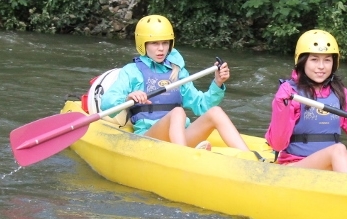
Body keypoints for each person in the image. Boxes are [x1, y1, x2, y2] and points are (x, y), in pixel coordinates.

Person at [101, 14, 249, 151]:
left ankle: (249, 158)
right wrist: (128, 97)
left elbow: (202, 106)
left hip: (181, 137)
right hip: (149, 139)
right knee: (177, 112)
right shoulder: (132, 71)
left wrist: (217, 83)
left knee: (215, 112)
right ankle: (184, 158)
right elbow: (107, 104)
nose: (161, 49)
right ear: (143, 44)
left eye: (165, 43)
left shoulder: (177, 72)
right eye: (154, 43)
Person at [266, 29, 347, 175]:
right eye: (314, 59)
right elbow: (277, 143)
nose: (321, 66)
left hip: (331, 165)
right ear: (302, 61)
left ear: (334, 63)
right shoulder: (289, 93)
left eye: (327, 60)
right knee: (338, 149)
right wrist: (283, 105)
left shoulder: (340, 93)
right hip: (296, 167)